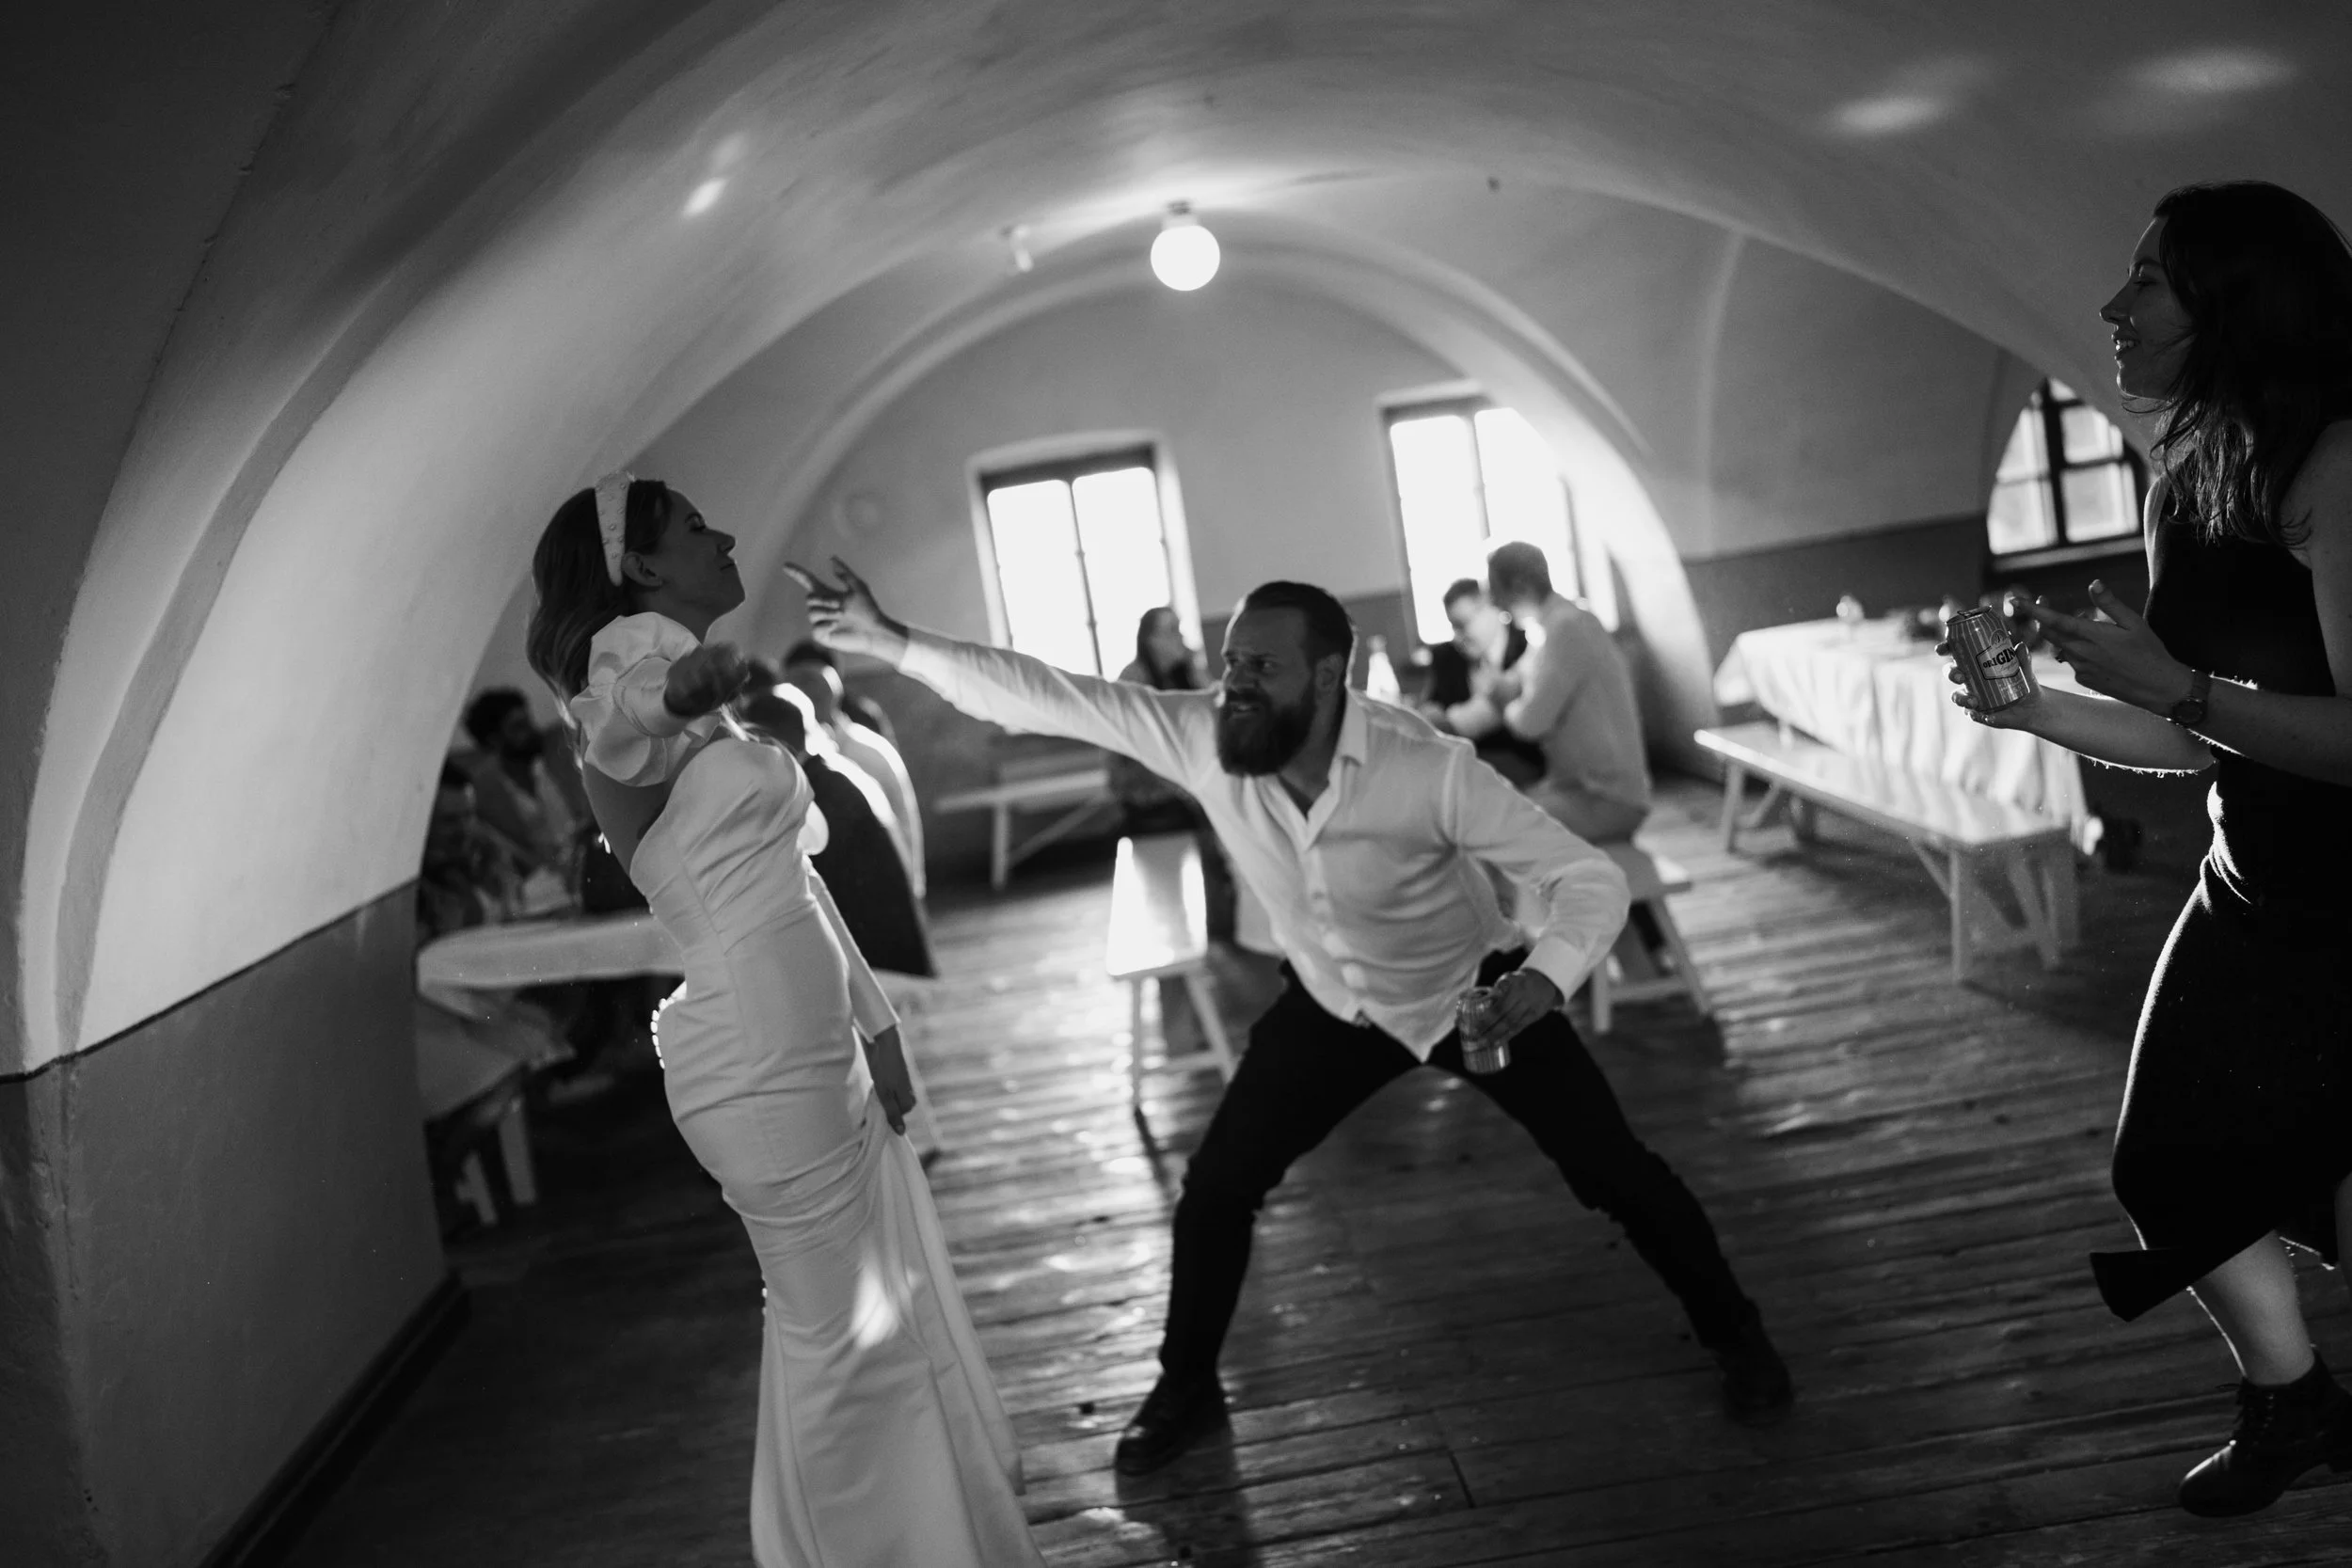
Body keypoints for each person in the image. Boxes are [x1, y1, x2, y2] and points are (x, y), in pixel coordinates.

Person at [789, 558, 1793, 1477]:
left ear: (1328, 678)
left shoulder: (1426, 766)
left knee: (1614, 1170)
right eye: (1230, 660)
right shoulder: (1197, 735)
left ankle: (1738, 1333)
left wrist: (1543, 977)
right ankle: (1187, 1384)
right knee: (1217, 1185)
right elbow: (1052, 695)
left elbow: (1582, 874)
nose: (1232, 682)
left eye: (1260, 666)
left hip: (1472, 994)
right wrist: (896, 643)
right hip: (1328, 1008)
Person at [525, 473, 1043, 1566]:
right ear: (643, 567)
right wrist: (676, 693)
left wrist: (880, 1024)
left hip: (815, 1049)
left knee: (865, 1322)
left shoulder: (708, 710)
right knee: (844, 1337)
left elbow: (798, 886)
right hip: (754, 1063)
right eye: (695, 528)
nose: (725, 536)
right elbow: (623, 724)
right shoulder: (631, 673)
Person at [1947, 182, 2352, 1518]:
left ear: (2238, 302)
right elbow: (2197, 739)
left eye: (2152, 283)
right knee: (2166, 1161)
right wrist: (2036, 705)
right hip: (2254, 880)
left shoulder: (2336, 462)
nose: (2116, 309)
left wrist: (2179, 685)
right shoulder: (2194, 470)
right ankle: (2295, 1400)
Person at [1452, 542, 1651, 844]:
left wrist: (1507, 704)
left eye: (1495, 590)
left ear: (1518, 585)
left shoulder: (1566, 629)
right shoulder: (1554, 625)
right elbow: (1512, 680)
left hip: (1607, 798)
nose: (1495, 603)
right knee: (1488, 808)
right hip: (1579, 788)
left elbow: (1531, 723)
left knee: (1490, 828)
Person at [1113, 607, 1238, 948]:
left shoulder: (1183, 676)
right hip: (1151, 799)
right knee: (1181, 882)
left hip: (1188, 793)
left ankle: (1220, 938)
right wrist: (1188, 788)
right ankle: (1185, 946)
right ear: (1150, 640)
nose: (1180, 639)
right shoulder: (1134, 680)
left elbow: (1218, 718)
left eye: (1180, 629)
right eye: (1170, 631)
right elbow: (1137, 758)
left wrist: (1197, 675)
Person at [784, 641, 927, 899]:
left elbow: (902, 823)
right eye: (796, 685)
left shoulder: (870, 752)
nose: (806, 693)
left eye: (812, 682)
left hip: (882, 889)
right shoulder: (786, 762)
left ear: (834, 686)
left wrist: (911, 886)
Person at [1421, 578, 1545, 785]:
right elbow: (1432, 709)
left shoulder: (1527, 650)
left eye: (1462, 625)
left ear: (1488, 609)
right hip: (1463, 770)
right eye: (1452, 627)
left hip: (1525, 769)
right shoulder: (1446, 657)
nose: (1457, 637)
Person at [459, 687, 591, 875]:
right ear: (493, 740)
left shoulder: (563, 753)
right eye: (518, 727)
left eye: (528, 721)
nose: (532, 731)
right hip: (541, 882)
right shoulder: (485, 792)